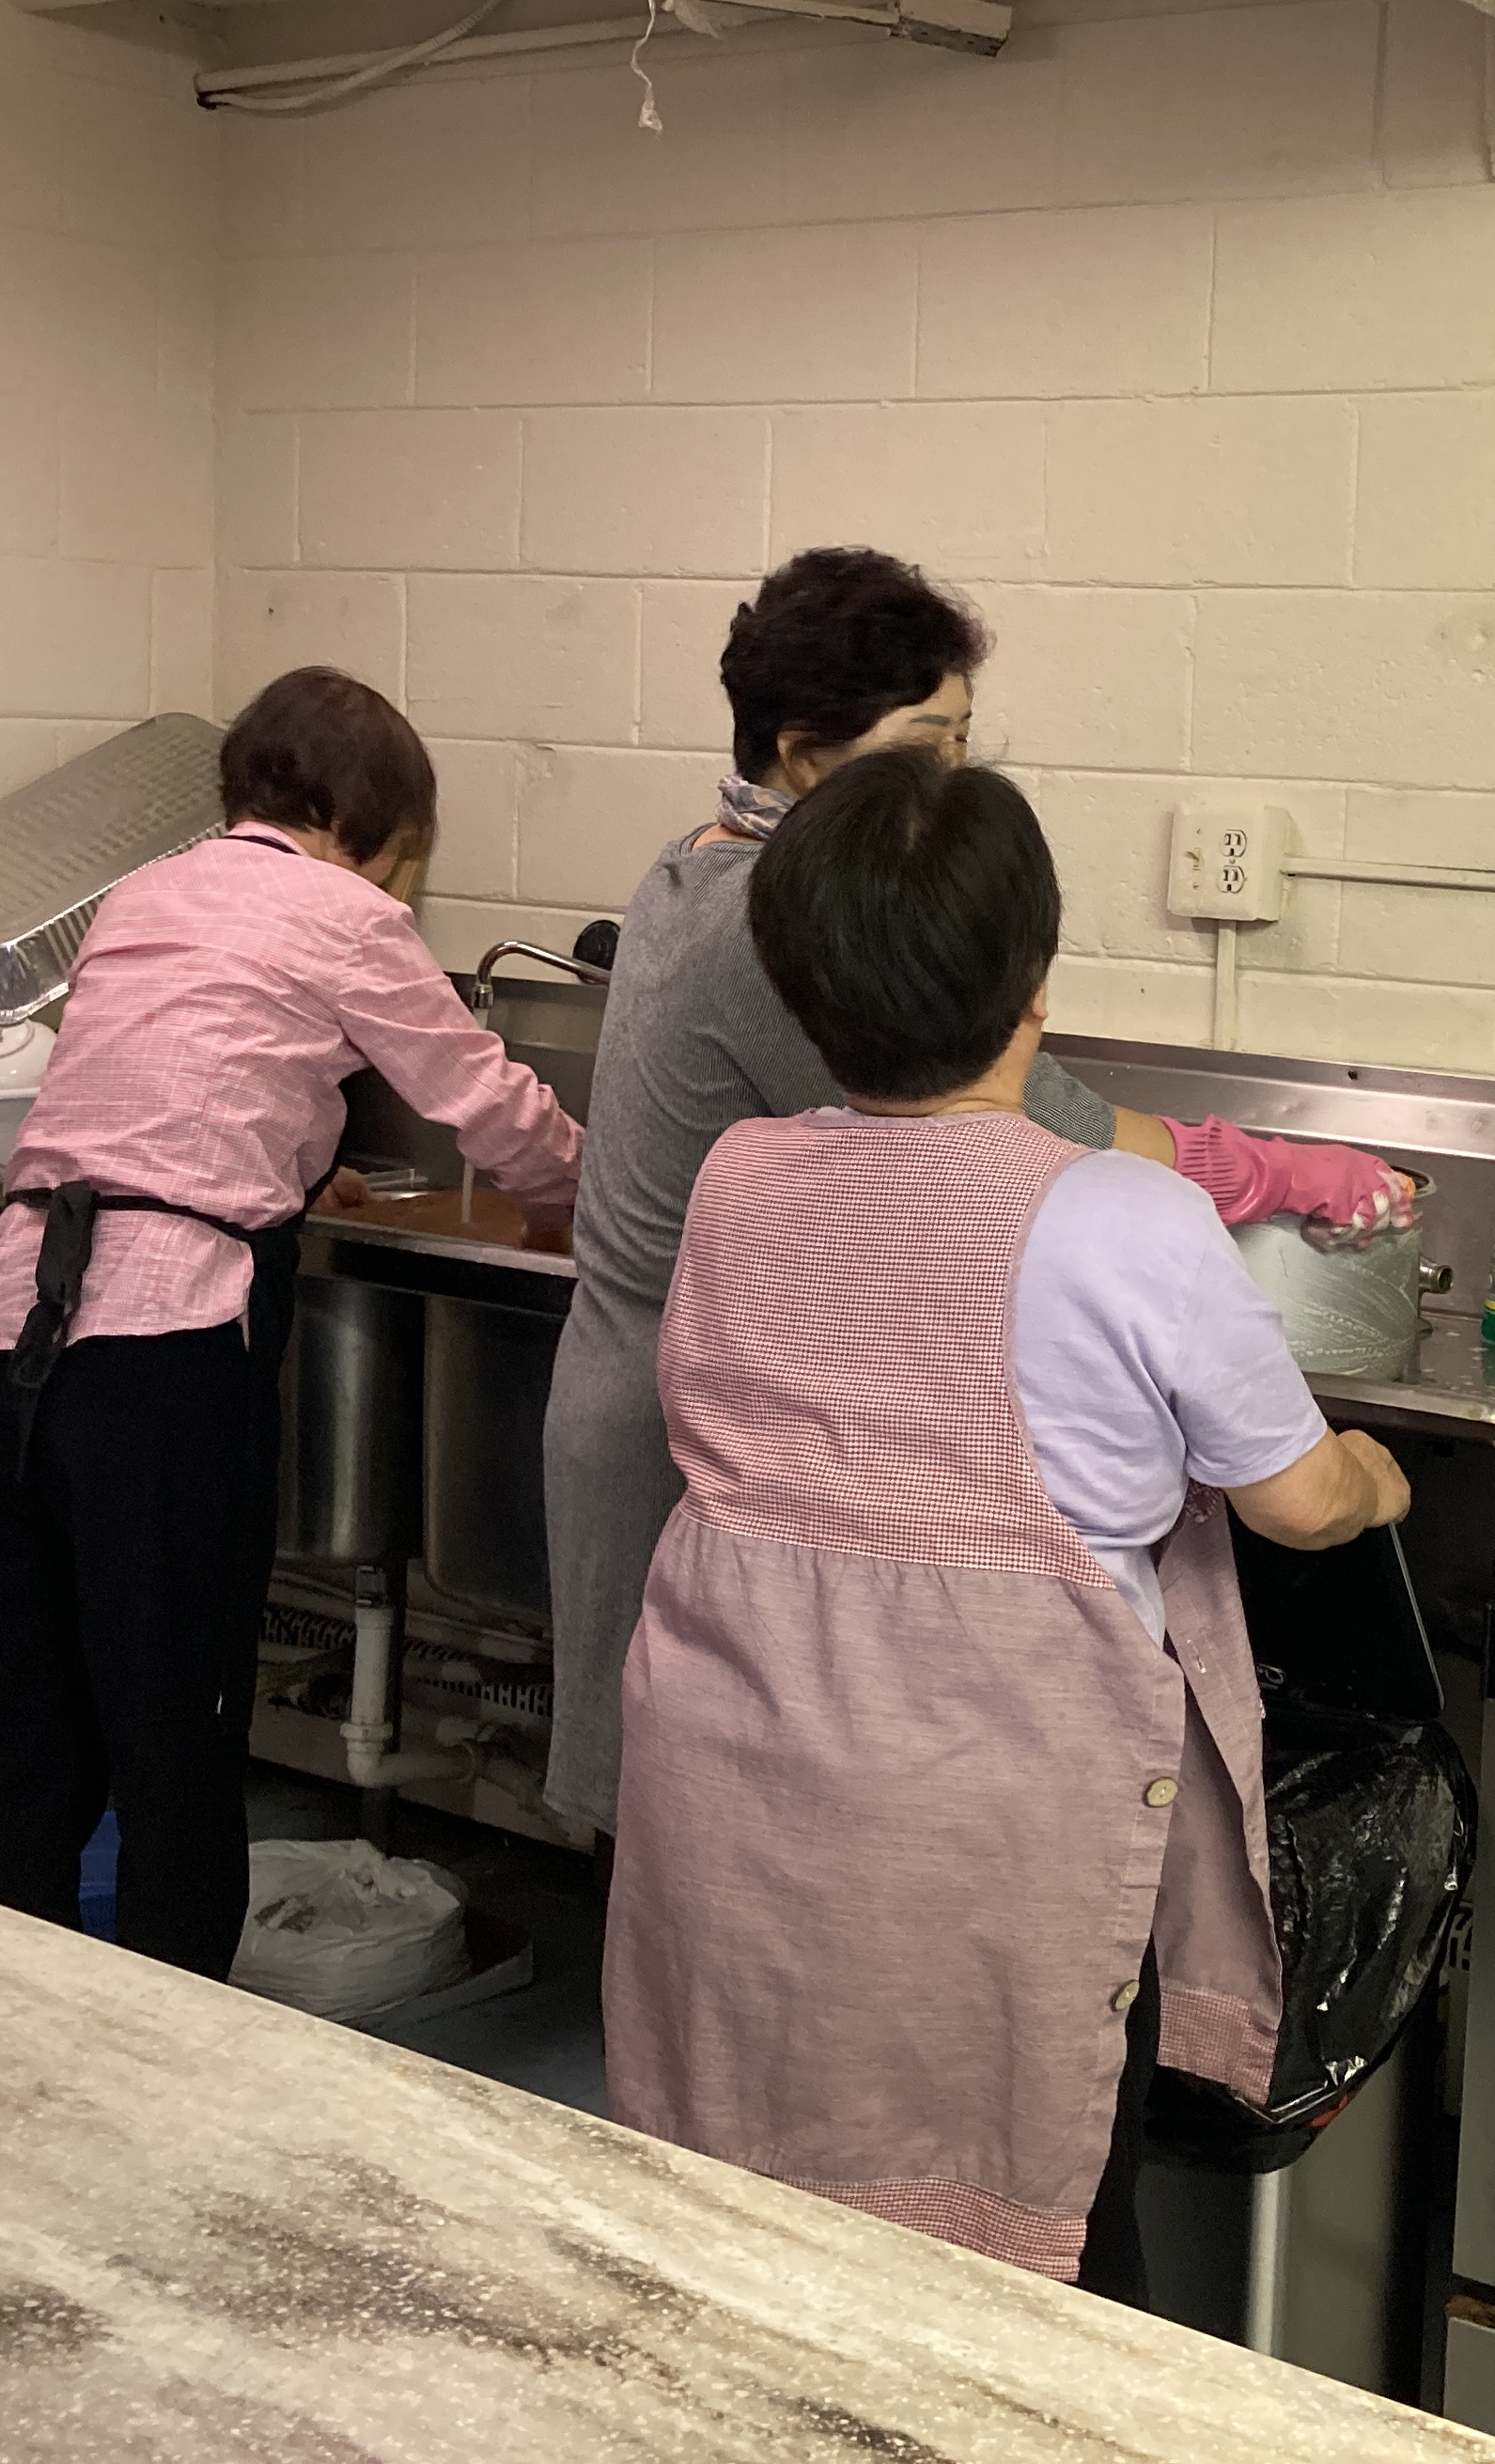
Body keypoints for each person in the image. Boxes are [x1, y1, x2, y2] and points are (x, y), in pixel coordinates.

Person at [602, 747, 1412, 2303]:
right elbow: (1303, 1501)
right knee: (1029, 2244)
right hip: (979, 1829)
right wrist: (1378, 1474)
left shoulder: (739, 1175)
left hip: (742, 1791)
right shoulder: (1124, 1215)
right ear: (1036, 986)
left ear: (799, 991)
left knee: (748, 2205)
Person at [540, 546, 1411, 1838]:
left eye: (960, 741)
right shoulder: (774, 923)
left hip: (693, 1401)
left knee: (729, 1831)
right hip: (692, 1436)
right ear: (801, 757)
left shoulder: (705, 864)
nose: (945, 778)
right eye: (922, 747)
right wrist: (1272, 1168)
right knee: (720, 1820)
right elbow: (1041, 1121)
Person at [0, 668, 583, 1976]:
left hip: (17, 1322)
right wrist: (587, 1192)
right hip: (165, 1343)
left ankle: (5, 2009)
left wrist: (298, 1170)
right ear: (365, 824)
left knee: (30, 1703)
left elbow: (177, 1081)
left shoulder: (142, 894)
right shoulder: (346, 914)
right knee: (175, 1723)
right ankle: (181, 2037)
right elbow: (491, 1107)